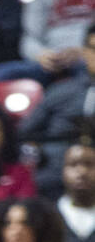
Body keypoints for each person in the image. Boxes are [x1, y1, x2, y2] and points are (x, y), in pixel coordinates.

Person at [19, 26, 95, 200]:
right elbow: (25, 134)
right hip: (54, 173)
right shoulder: (60, 91)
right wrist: (35, 155)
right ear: (84, 52)